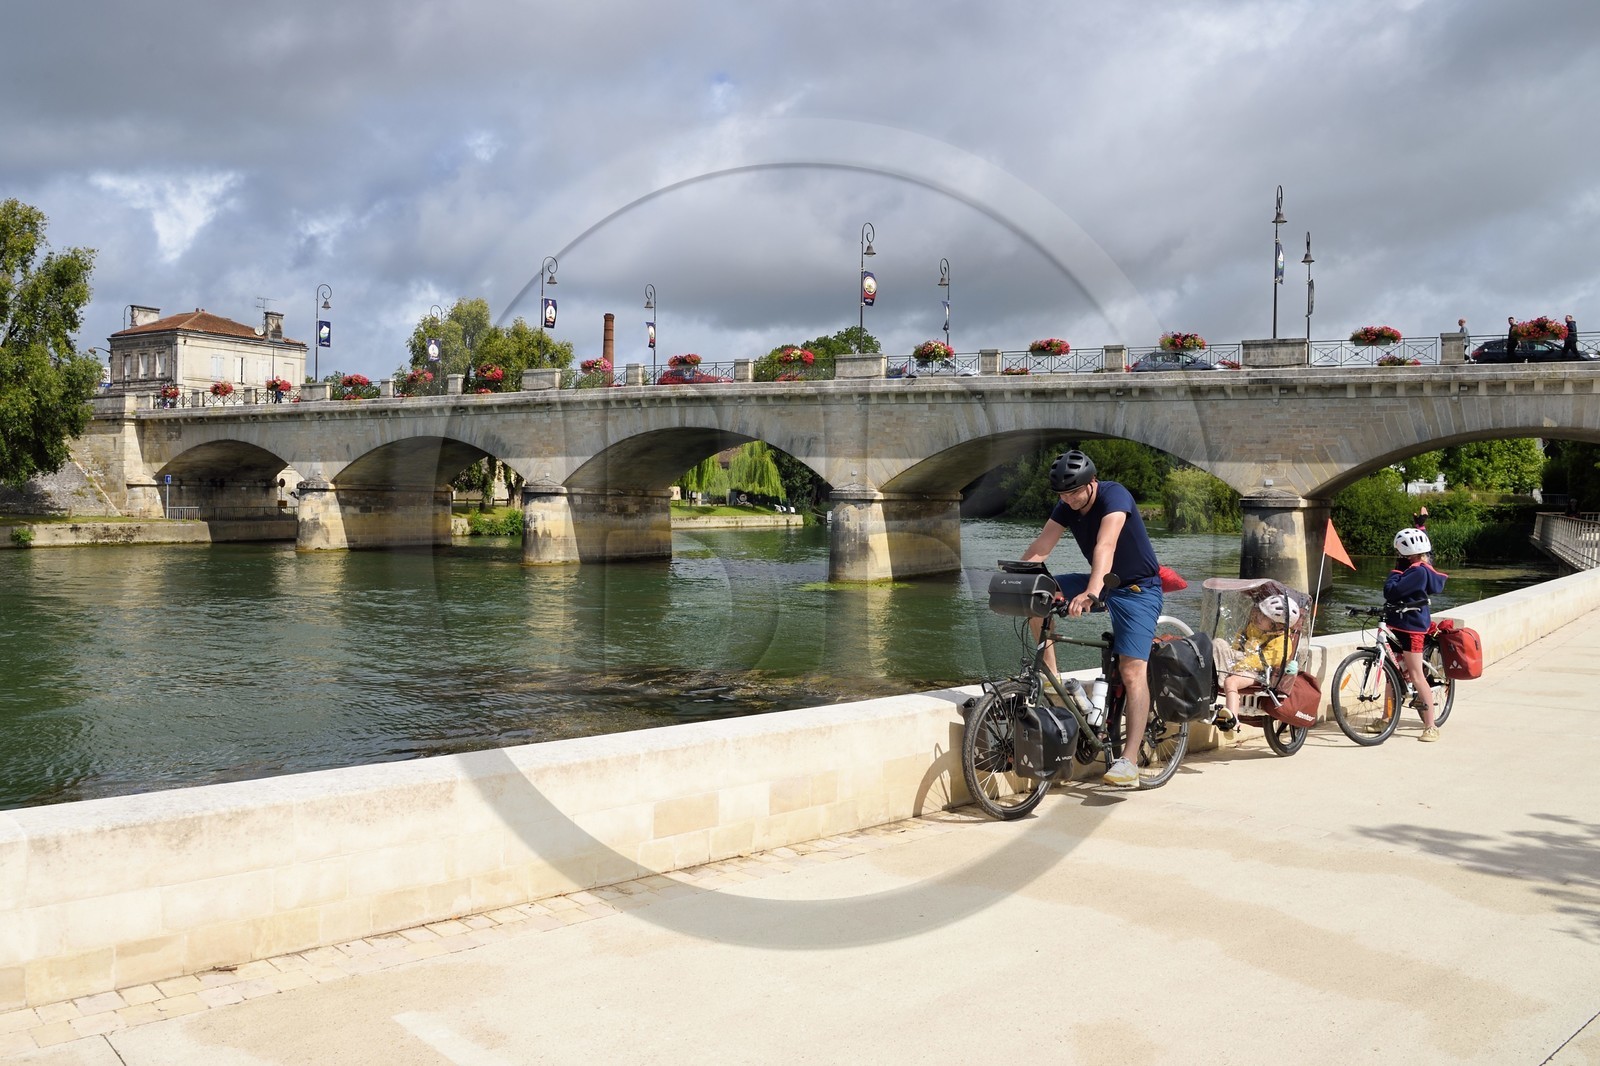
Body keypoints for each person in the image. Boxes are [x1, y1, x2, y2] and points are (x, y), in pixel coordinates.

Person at [1021, 450, 1164, 789]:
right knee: (1037, 595)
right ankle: (1051, 678)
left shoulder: (1115, 496)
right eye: (1062, 494)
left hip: (1136, 588)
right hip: (1099, 580)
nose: (1068, 500)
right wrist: (1013, 579)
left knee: (1131, 670)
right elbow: (1042, 545)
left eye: (1074, 492)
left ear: (1092, 483)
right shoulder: (1065, 506)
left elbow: (1106, 544)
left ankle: (1128, 760)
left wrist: (1093, 591)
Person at [1382, 527, 1448, 742]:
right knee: (1391, 676)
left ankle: (1431, 726)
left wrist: (1395, 572)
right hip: (1398, 624)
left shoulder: (1417, 571)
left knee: (1417, 675)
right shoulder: (1416, 567)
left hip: (1411, 628)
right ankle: (1386, 718)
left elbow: (1391, 591)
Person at [1211, 595, 1298, 731]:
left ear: (1276, 625)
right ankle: (1217, 677)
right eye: (1259, 613)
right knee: (1218, 643)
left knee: (1231, 682)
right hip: (1242, 662)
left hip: (1259, 673)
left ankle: (1233, 720)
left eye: (1263, 616)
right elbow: (1239, 645)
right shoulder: (1255, 628)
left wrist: (1239, 664)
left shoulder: (1282, 643)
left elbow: (1262, 661)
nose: (1257, 616)